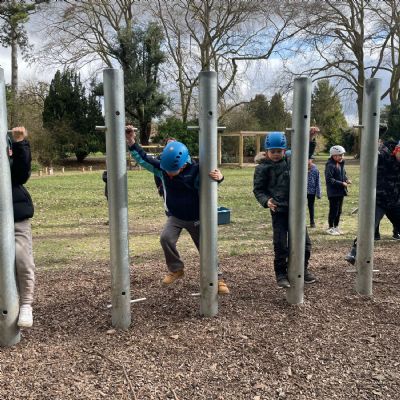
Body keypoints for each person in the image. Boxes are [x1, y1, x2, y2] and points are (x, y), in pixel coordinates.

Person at [125, 127, 230, 294]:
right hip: (175, 216)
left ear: (183, 165)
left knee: (207, 248)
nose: (169, 175)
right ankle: (176, 269)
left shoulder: (196, 170)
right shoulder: (162, 169)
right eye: (167, 171)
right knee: (165, 238)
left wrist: (220, 178)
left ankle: (218, 278)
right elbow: (144, 159)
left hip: (196, 217)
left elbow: (212, 182)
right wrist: (131, 142)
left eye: (172, 172)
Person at [253, 131, 316, 288]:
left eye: (279, 151)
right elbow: (258, 189)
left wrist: (309, 138)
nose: (276, 154)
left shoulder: (290, 161)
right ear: (267, 151)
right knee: (280, 244)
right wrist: (266, 201)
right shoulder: (262, 168)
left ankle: (302, 269)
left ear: (284, 150)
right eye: (272, 151)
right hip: (279, 210)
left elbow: (304, 153)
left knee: (305, 244)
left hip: (296, 210)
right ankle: (281, 274)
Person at [345, 140, 400, 264]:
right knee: (368, 228)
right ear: (396, 150)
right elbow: (370, 153)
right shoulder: (384, 155)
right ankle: (354, 252)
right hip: (378, 200)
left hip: (395, 201)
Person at [8, 127, 35, 328]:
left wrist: (19, 143)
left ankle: (26, 304)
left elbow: (22, 173)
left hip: (16, 216)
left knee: (23, 260)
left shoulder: (6, 143)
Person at [325, 145, 351, 235]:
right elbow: (329, 179)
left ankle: (336, 226)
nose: (342, 157)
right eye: (340, 155)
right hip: (333, 192)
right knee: (334, 210)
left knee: (339, 211)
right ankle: (330, 227)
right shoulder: (330, 165)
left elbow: (343, 175)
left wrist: (346, 180)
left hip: (340, 191)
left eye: (342, 155)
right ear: (333, 155)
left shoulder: (341, 164)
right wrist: (341, 183)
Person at [307, 155, 321, 228]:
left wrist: (318, 193)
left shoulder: (315, 169)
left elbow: (318, 182)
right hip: (301, 192)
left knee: (311, 206)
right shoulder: (300, 168)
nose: (307, 161)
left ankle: (312, 222)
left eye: (309, 159)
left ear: (311, 160)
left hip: (311, 192)